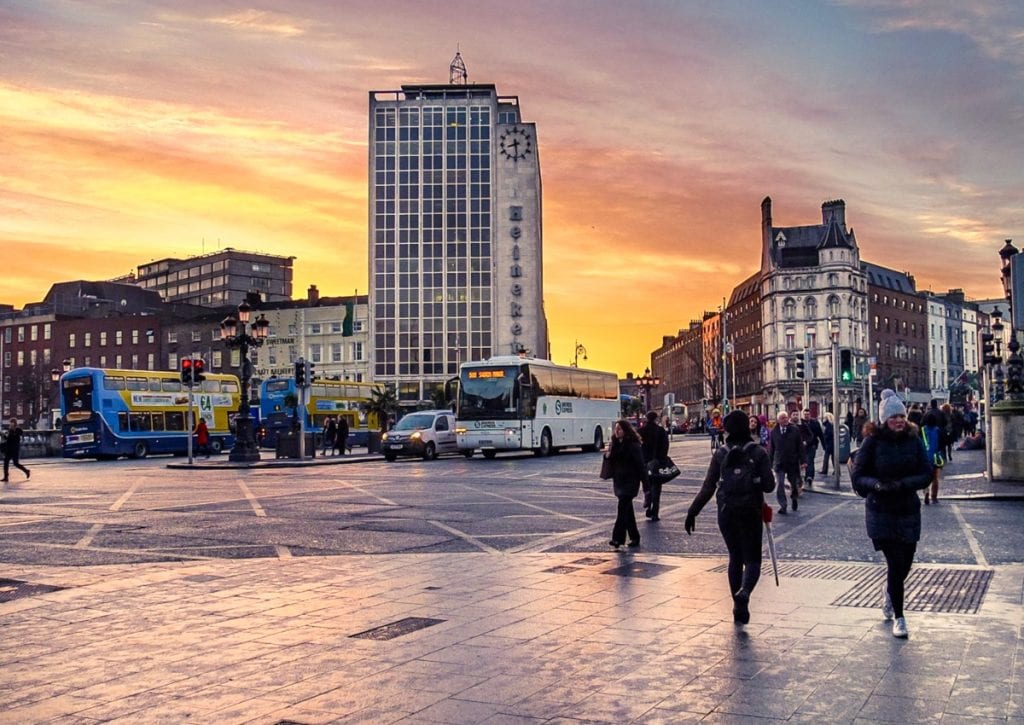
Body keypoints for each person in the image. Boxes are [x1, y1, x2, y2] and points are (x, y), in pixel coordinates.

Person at [851, 389, 932, 639]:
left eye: (901, 415)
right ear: (884, 419)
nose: (898, 420)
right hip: (881, 510)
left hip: (907, 508)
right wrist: (876, 485)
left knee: (906, 562)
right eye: (893, 416)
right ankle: (899, 616)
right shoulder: (872, 441)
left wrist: (904, 484)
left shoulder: (913, 439)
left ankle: (889, 593)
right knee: (895, 563)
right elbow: (858, 475)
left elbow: (926, 472)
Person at [685, 410, 775, 624]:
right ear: (747, 427)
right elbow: (770, 486)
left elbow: (708, 486)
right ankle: (745, 592)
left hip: (726, 510)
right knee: (752, 558)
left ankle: (737, 605)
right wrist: (755, 481)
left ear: (727, 428)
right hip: (751, 509)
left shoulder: (721, 453)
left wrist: (692, 511)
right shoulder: (758, 452)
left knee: (735, 557)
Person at [604, 419, 648, 549]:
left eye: (619, 429)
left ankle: (617, 539)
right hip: (619, 481)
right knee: (627, 511)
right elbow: (612, 460)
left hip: (631, 482)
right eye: (616, 429)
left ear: (625, 430)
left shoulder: (633, 445)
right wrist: (607, 455)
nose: (616, 432)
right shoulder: (615, 444)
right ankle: (635, 537)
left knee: (622, 509)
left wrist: (646, 486)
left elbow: (641, 466)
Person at [768, 410, 804, 514]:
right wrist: (769, 463)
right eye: (782, 418)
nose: (785, 420)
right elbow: (771, 448)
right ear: (778, 420)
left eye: (786, 417)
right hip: (779, 462)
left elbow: (800, 446)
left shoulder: (794, 430)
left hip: (792, 461)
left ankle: (794, 497)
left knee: (793, 483)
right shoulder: (774, 432)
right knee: (780, 483)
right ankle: (783, 505)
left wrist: (803, 461)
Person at [639, 411, 669, 521]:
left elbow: (638, 446)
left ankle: (647, 498)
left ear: (647, 418)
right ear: (656, 419)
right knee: (657, 487)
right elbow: (665, 447)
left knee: (647, 483)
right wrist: (661, 459)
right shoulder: (660, 431)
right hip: (657, 462)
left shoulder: (641, 431)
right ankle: (654, 512)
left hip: (644, 462)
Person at [921, 409, 945, 504]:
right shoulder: (938, 430)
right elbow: (942, 443)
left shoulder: (922, 430)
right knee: (935, 477)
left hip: (924, 457)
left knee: (926, 476)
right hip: (935, 456)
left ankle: (926, 491)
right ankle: (934, 496)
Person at [799, 409, 825, 488]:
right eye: (805, 414)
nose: (806, 416)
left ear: (810, 415)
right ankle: (805, 476)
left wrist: (824, 446)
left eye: (808, 414)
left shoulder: (815, 423)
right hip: (802, 446)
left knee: (810, 460)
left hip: (812, 445)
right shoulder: (801, 423)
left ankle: (809, 476)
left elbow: (820, 434)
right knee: (804, 461)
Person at [2, 418, 30, 482]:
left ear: (15, 423)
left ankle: (26, 471)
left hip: (15, 449)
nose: (11, 423)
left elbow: (18, 436)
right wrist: (4, 436)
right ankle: (6, 477)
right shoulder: (10, 430)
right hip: (9, 449)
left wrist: (13, 433)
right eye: (10, 422)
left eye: (12, 422)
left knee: (16, 463)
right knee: (6, 462)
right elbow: (8, 439)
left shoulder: (18, 429)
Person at [819, 412, 835, 476]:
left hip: (829, 443)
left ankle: (824, 470)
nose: (824, 418)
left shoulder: (829, 425)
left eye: (825, 417)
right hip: (831, 443)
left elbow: (830, 433)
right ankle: (836, 470)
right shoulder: (829, 424)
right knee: (833, 457)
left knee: (827, 457)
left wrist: (825, 437)